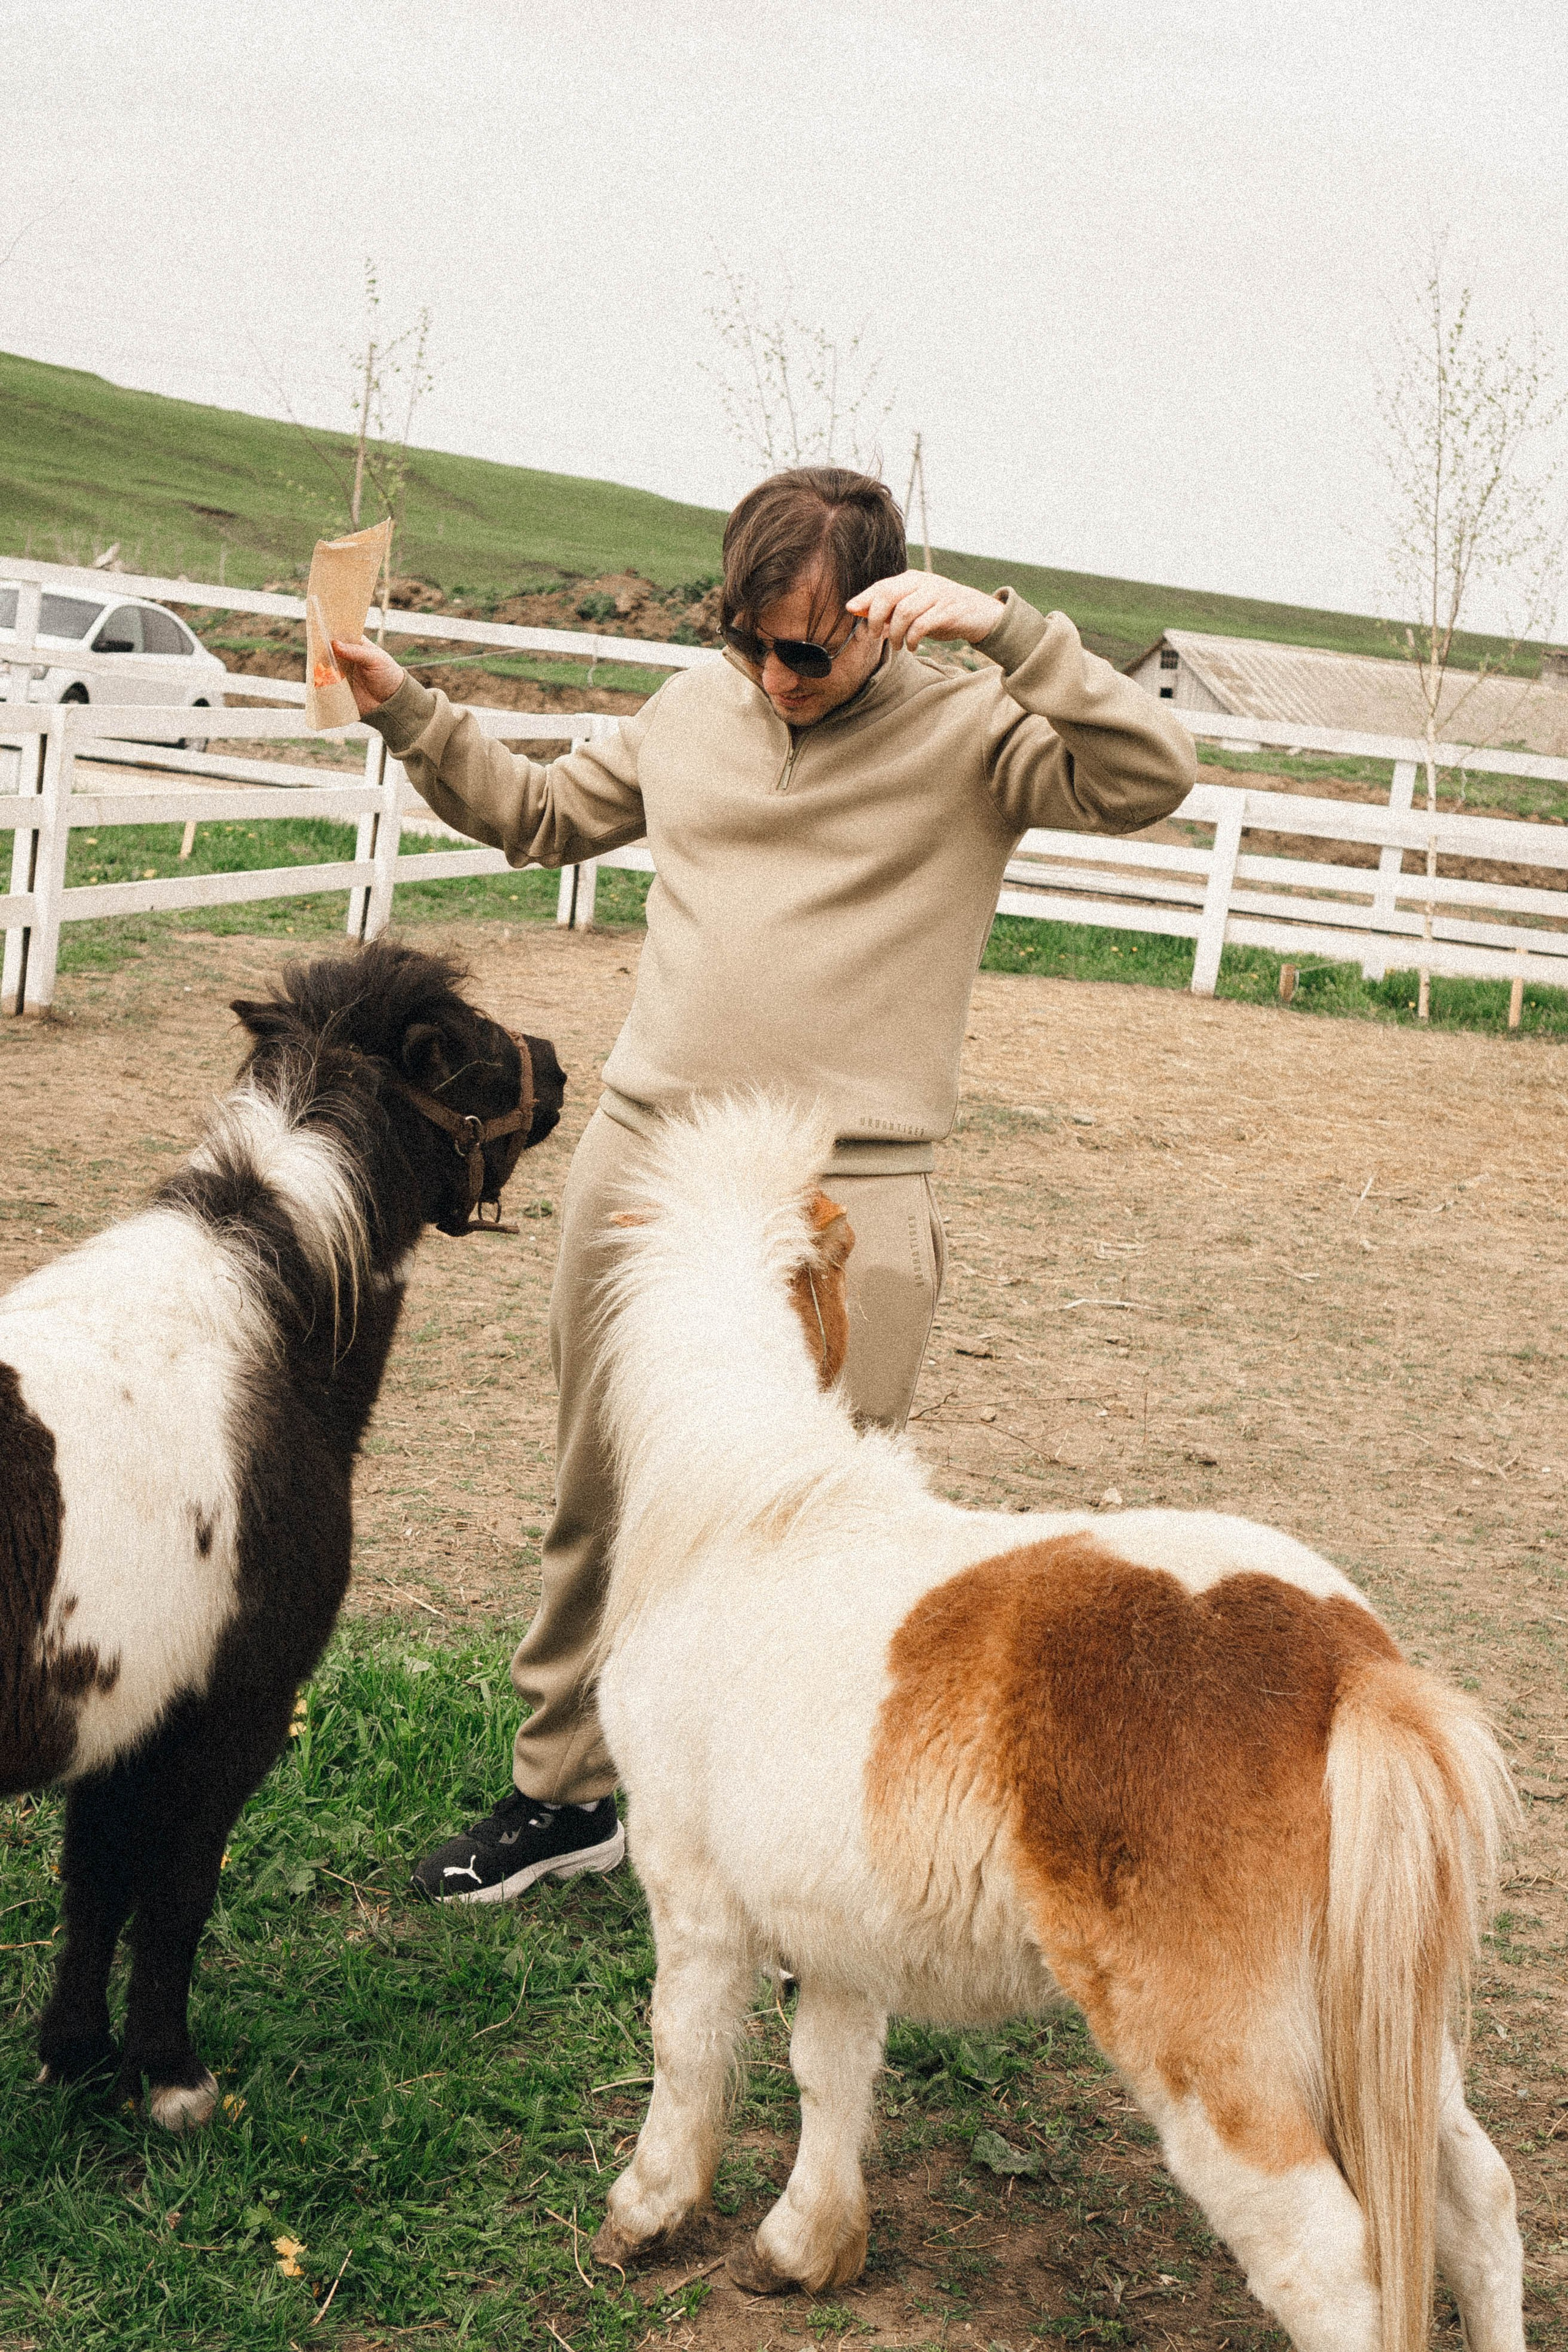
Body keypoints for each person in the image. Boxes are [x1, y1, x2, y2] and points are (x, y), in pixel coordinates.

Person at [331, 466, 1196, 1910]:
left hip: (846, 1190)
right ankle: (564, 1794)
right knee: (602, 1489)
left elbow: (1146, 777)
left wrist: (1005, 632)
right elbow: (539, 814)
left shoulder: (976, 732)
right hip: (650, 1162)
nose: (777, 677)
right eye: (750, 642)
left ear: (888, 617)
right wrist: (406, 706)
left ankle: (789, 1834)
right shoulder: (692, 713)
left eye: (810, 647)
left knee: (819, 1527)